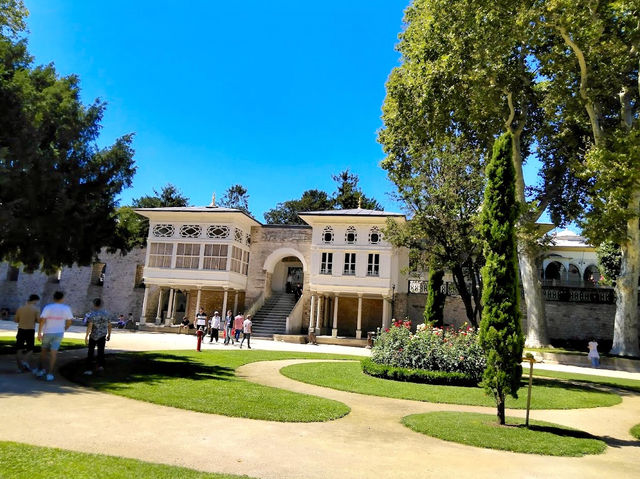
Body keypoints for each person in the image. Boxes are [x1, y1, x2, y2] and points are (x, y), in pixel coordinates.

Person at [34, 291, 73, 381]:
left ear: (54, 298)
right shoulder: (66, 308)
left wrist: (39, 333)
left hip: (48, 332)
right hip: (59, 332)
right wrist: (64, 329)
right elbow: (69, 321)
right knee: (53, 353)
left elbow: (42, 320)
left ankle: (41, 369)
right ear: (62, 298)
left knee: (43, 351)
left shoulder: (48, 307)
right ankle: (50, 373)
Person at [83, 298, 112, 375]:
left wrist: (86, 336)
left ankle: (89, 369)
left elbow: (90, 326)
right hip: (102, 335)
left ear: (94, 304)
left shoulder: (92, 314)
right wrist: (109, 334)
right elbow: (109, 325)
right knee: (101, 351)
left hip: (93, 335)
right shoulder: (106, 314)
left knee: (90, 352)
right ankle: (101, 366)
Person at [14, 294, 40, 372]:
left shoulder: (20, 309)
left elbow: (16, 320)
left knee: (19, 349)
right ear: (35, 300)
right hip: (30, 330)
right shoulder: (36, 309)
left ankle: (20, 368)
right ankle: (24, 361)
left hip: (21, 329)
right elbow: (39, 320)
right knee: (30, 349)